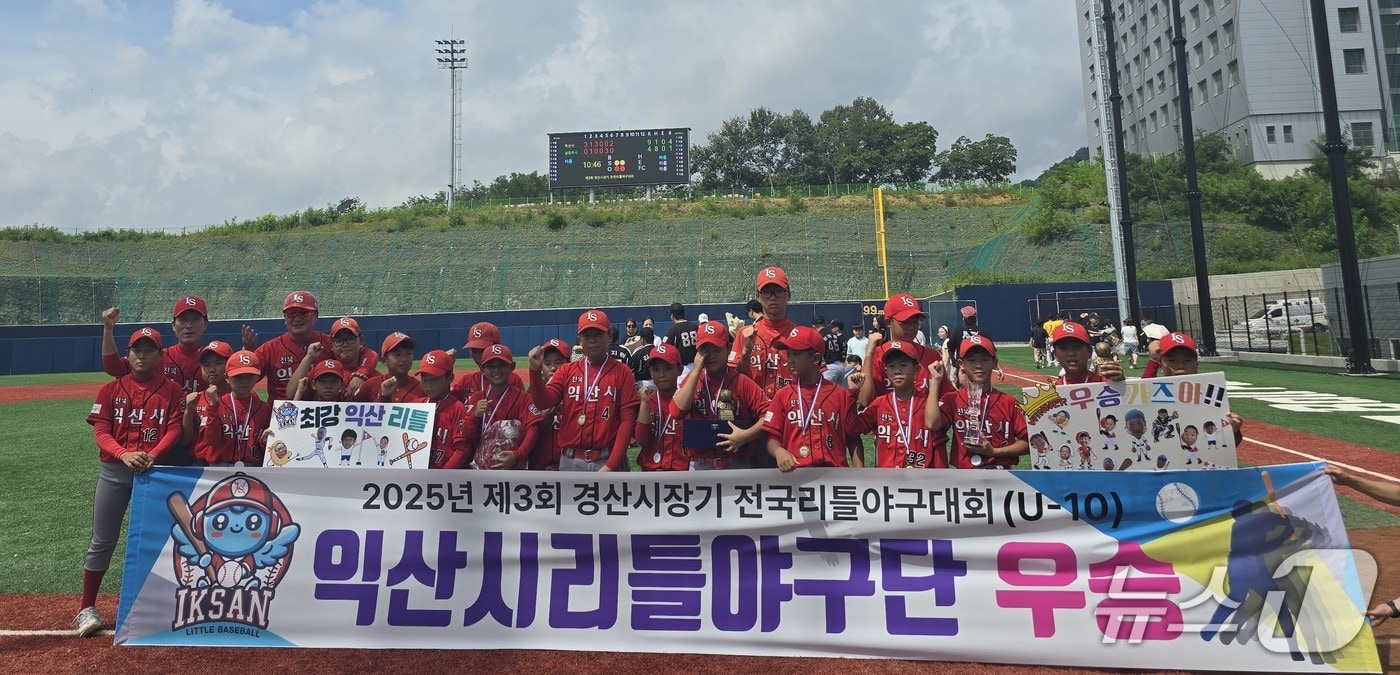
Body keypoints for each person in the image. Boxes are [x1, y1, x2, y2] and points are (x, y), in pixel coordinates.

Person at [75, 326, 185, 637]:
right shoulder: (110, 390)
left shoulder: (172, 389)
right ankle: (87, 607)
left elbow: (175, 429)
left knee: (161, 541)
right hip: (115, 471)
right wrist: (123, 454)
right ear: (128, 354)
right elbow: (101, 432)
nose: (142, 354)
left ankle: (161, 605)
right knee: (103, 539)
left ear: (160, 355)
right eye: (137, 349)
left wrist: (154, 454)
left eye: (149, 349)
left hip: (154, 473)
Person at [528, 310, 639, 472]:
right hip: (570, 460)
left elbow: (627, 422)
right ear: (580, 340)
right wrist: (534, 371)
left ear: (609, 336)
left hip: (606, 459)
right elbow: (544, 402)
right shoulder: (567, 371)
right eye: (587, 336)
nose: (592, 340)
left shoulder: (623, 372)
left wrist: (612, 464)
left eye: (598, 334)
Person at [762, 325, 862, 472]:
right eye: (789, 354)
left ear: (815, 358)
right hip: (797, 477)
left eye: (796, 354)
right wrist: (778, 451)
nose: (790, 360)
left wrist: (860, 474)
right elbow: (773, 438)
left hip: (834, 478)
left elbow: (853, 438)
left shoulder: (839, 394)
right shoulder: (782, 395)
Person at [671, 321, 768, 470]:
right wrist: (696, 371)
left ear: (728, 349)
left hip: (737, 463)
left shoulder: (741, 381)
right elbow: (677, 411)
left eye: (716, 350)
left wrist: (746, 435)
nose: (710, 356)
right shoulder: (693, 380)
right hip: (701, 463)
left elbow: (769, 416)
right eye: (705, 351)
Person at [928, 335, 1028, 469]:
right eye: (972, 360)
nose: (979, 365)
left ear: (994, 362)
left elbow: (1030, 442)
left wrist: (994, 452)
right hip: (966, 477)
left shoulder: (1009, 402)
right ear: (961, 364)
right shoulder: (953, 399)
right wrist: (935, 382)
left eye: (985, 360)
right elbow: (932, 423)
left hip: (1002, 475)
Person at [854, 340, 946, 468]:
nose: (897, 371)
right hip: (888, 482)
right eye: (891, 366)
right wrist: (853, 393)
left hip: (922, 482)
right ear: (886, 372)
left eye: (903, 365)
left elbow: (938, 446)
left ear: (916, 370)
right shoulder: (880, 404)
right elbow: (853, 428)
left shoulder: (927, 405)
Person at [856, 293, 953, 408]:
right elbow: (865, 401)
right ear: (888, 323)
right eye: (905, 322)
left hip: (922, 423)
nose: (912, 327)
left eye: (915, 321)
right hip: (887, 423)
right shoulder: (877, 354)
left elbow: (947, 397)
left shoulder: (931, 356)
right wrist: (869, 355)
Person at [462, 344, 539, 469]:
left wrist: (518, 455)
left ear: (512, 367)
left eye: (502, 365)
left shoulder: (523, 397)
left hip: (513, 467)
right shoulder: (477, 398)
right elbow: (466, 434)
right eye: (490, 366)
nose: (496, 370)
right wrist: (474, 416)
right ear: (482, 369)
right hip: (480, 467)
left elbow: (533, 430)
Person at [189, 350, 271, 467]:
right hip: (218, 467)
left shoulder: (264, 409)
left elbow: (265, 450)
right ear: (227, 377)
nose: (244, 381)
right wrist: (212, 407)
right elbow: (212, 440)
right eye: (238, 377)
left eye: (249, 376)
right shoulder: (217, 405)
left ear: (257, 377)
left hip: (253, 469)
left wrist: (264, 441)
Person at [246, 291, 331, 402]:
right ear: (285, 318)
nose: (297, 318)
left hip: (323, 412)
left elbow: (358, 355)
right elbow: (243, 380)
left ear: (316, 316)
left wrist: (361, 373)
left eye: (303, 313)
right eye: (291, 314)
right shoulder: (269, 349)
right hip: (281, 414)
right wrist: (247, 353)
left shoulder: (330, 343)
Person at [413, 350, 473, 469]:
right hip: (418, 475)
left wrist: (444, 475)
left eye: (434, 380)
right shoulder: (416, 405)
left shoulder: (457, 408)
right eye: (425, 380)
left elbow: (462, 449)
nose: (429, 384)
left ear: (450, 378)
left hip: (445, 478)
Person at [634, 344, 688, 471]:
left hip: (681, 473)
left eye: (667, 368)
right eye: (656, 369)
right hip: (651, 470)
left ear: (679, 370)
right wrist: (644, 404)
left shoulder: (686, 400)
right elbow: (641, 439)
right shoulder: (648, 400)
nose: (661, 374)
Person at [448, 321, 526, 403]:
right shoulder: (466, 381)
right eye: (474, 351)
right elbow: (442, 403)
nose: (478, 356)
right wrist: (444, 367)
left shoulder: (512, 379)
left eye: (482, 350)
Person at [526, 338, 570, 470]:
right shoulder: (531, 393)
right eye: (547, 363)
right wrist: (541, 419)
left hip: (567, 466)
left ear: (569, 364)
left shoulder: (576, 392)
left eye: (559, 362)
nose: (553, 368)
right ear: (540, 366)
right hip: (539, 466)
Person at [354, 332, 424, 403]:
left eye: (408, 354)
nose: (404, 359)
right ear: (384, 361)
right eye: (397, 354)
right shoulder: (370, 385)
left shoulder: (422, 389)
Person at [1049, 321, 1124, 384]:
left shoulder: (1106, 383)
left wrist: (1121, 384)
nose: (1071, 353)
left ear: (1089, 351)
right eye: (1063, 348)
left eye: (1077, 347)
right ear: (1055, 354)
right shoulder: (1052, 394)